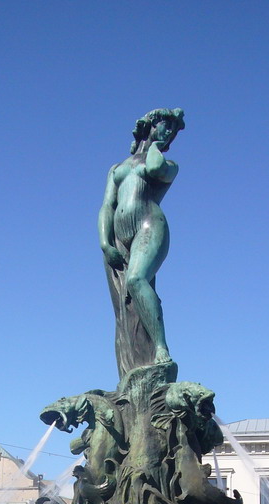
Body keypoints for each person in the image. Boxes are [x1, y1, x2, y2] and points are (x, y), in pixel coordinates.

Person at [98, 107, 185, 378]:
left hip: (149, 225)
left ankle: (161, 348)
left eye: (172, 130)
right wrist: (104, 242)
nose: (169, 132)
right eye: (164, 126)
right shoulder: (117, 168)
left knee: (137, 280)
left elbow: (155, 167)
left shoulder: (168, 165)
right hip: (118, 236)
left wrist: (158, 146)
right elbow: (107, 207)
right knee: (124, 308)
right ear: (150, 125)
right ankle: (132, 363)